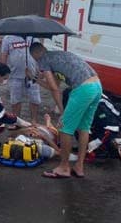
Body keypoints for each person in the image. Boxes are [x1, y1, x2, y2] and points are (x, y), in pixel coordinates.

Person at [30, 42, 102, 179]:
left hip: (82, 89)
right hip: (97, 86)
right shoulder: (58, 55)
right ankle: (79, 166)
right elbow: (55, 84)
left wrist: (62, 111)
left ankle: (64, 167)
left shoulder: (43, 60)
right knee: (83, 128)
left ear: (35, 54)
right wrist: (35, 79)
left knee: (65, 128)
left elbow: (54, 88)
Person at [0, 35, 40, 126]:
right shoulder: (7, 38)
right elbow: (4, 55)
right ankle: (16, 121)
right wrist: (2, 73)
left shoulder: (33, 36)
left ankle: (34, 121)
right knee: (15, 100)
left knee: (35, 99)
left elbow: (39, 53)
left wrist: (40, 70)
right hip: (14, 75)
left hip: (32, 75)